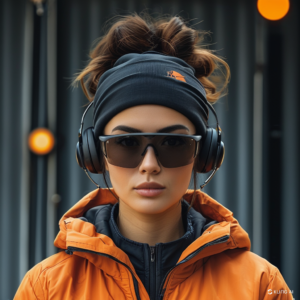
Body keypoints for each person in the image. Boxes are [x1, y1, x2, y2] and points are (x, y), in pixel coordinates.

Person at [14, 12, 292, 300]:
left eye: (173, 142)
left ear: (204, 152)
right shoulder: (46, 287)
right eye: (127, 142)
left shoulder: (260, 284)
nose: (149, 165)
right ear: (96, 153)